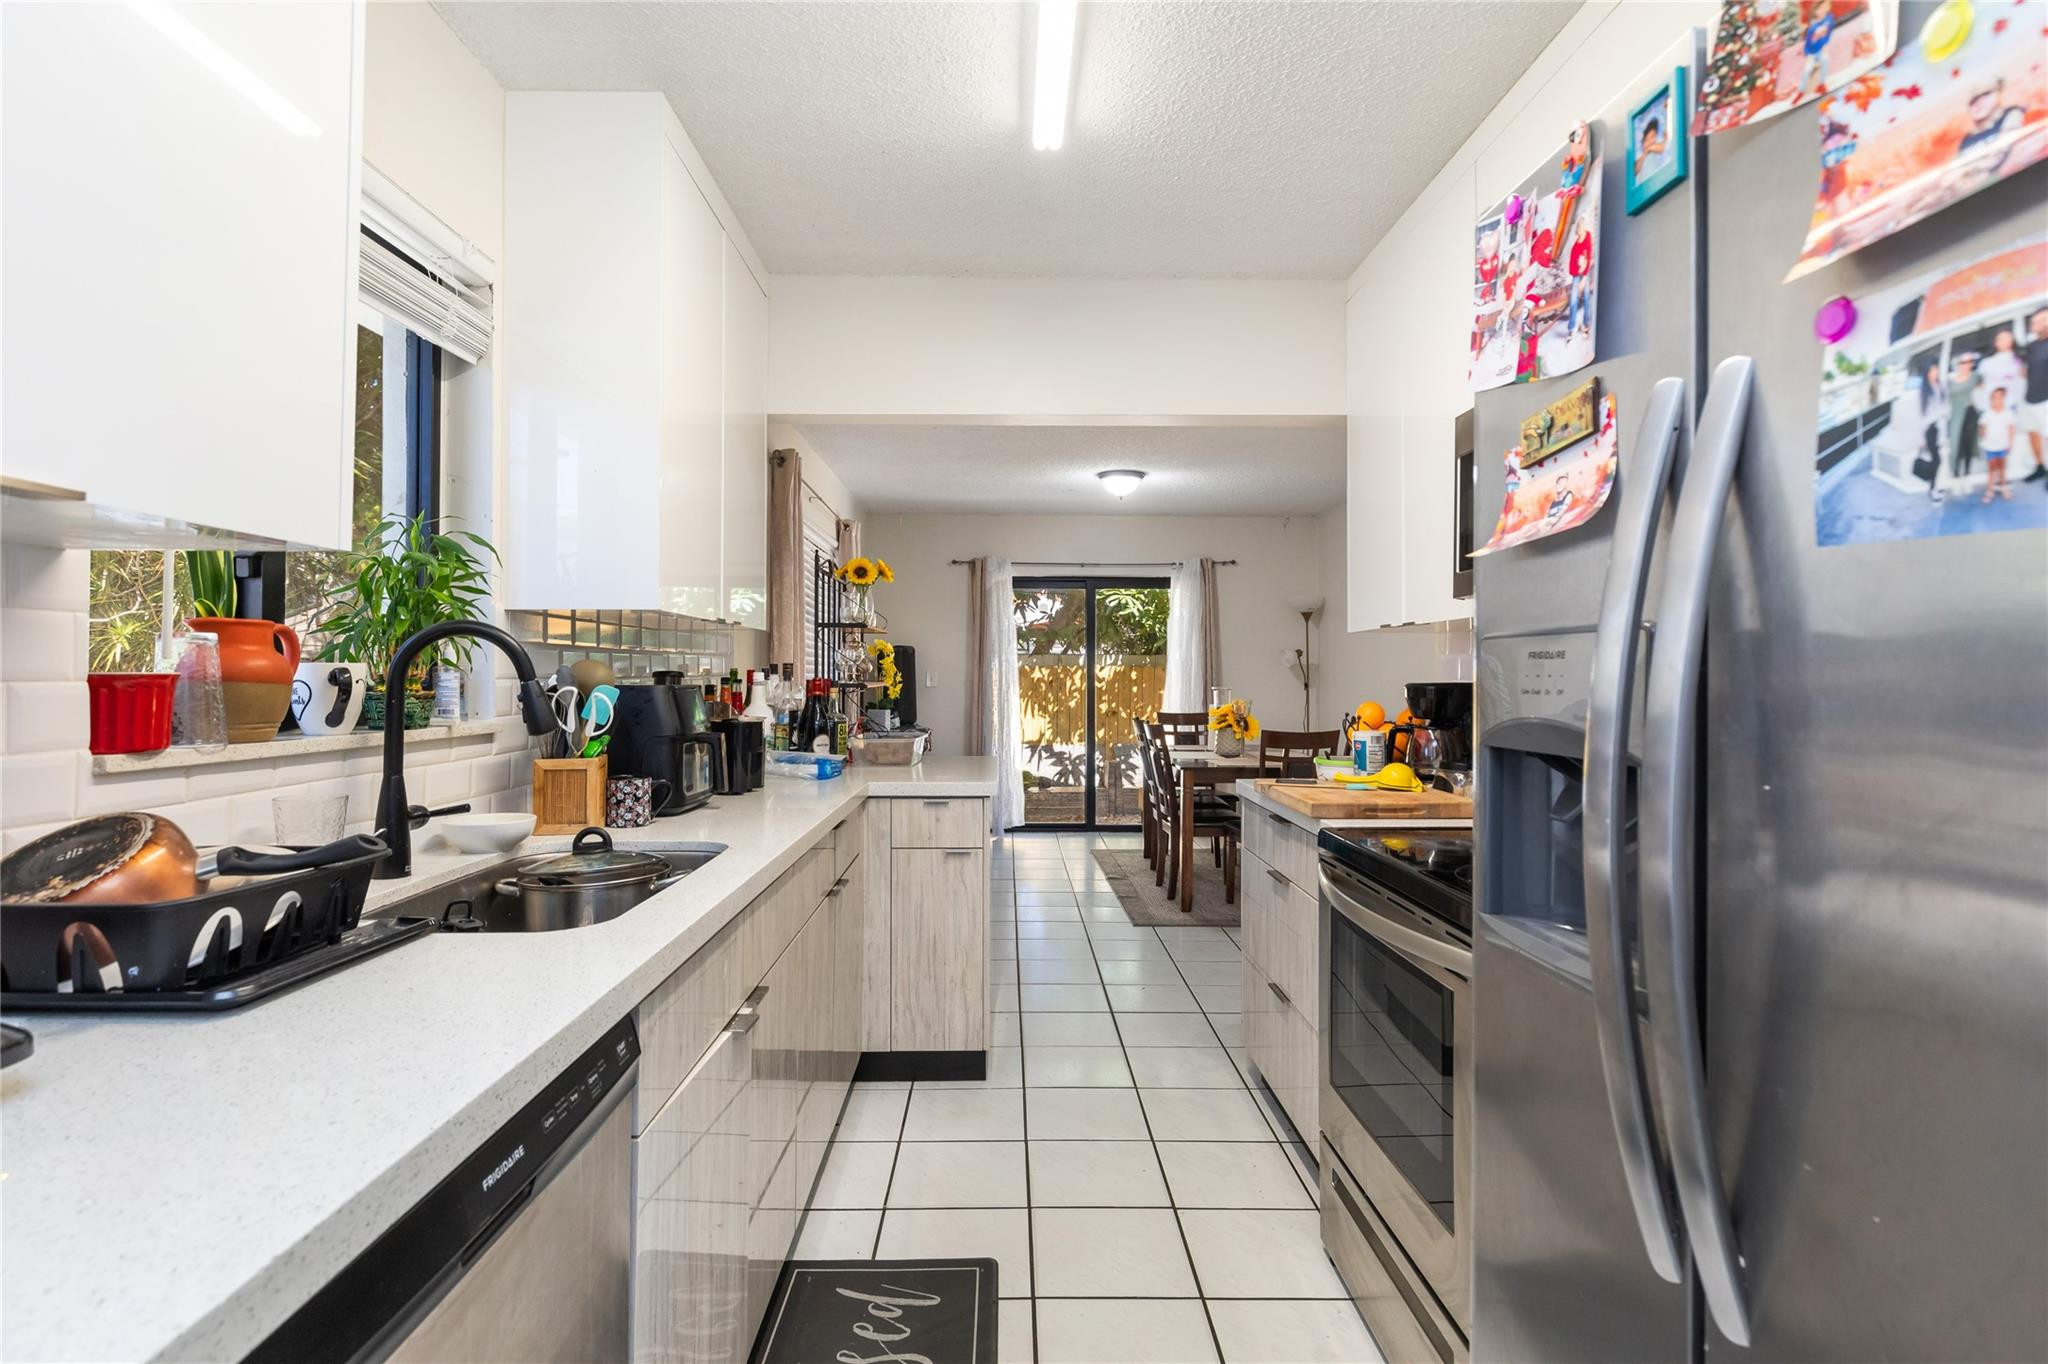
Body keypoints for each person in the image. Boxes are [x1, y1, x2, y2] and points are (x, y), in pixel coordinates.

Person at [2022, 307, 2048, 482]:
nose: (2036, 324)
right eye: (2034, 321)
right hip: (2029, 400)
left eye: (2041, 320)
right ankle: (2040, 467)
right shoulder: (2031, 346)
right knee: (2033, 434)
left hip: (2046, 401)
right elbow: (2026, 371)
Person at [1948, 351, 1981, 483]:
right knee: (1956, 442)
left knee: (1969, 442)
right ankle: (1955, 471)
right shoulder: (1950, 379)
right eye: (1963, 362)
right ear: (1958, 364)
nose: (1966, 365)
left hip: (1971, 412)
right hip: (1956, 414)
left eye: (1969, 362)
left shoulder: (1975, 377)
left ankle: (1967, 470)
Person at [1980, 385, 2017, 502]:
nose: (1997, 400)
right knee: (1991, 469)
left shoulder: (2008, 413)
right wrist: (1985, 438)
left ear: (2004, 398)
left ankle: (2004, 488)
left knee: (2002, 468)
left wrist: (2010, 444)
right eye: (1995, 398)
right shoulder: (1987, 413)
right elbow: (1982, 427)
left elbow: (2011, 429)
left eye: (2000, 397)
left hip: (2003, 446)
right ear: (1992, 399)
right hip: (1990, 446)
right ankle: (1989, 490)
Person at [1918, 361, 1948, 502]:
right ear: (1927, 373)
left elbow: (1944, 406)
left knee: (1937, 459)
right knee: (1937, 459)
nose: (1935, 372)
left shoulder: (1939, 386)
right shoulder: (1924, 390)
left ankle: (1934, 487)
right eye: (1932, 370)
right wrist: (1921, 437)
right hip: (1929, 429)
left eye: (1936, 369)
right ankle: (1932, 489)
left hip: (1938, 428)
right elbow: (1922, 415)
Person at [1980, 327, 2026, 413]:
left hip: (2019, 405)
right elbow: (1984, 386)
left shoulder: (2020, 360)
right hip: (1997, 409)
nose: (2005, 341)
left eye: (2008, 338)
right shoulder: (1987, 363)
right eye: (2001, 339)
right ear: (1996, 342)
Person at [1566, 220, 1594, 339]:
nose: (1581, 228)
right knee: (1573, 300)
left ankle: (1585, 324)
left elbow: (1588, 257)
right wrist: (1577, 273)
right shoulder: (1575, 247)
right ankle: (1572, 327)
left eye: (1583, 225)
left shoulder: (1588, 237)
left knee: (1587, 298)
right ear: (1577, 230)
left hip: (1585, 273)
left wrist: (1584, 278)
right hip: (1577, 274)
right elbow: (1571, 266)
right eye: (1579, 227)